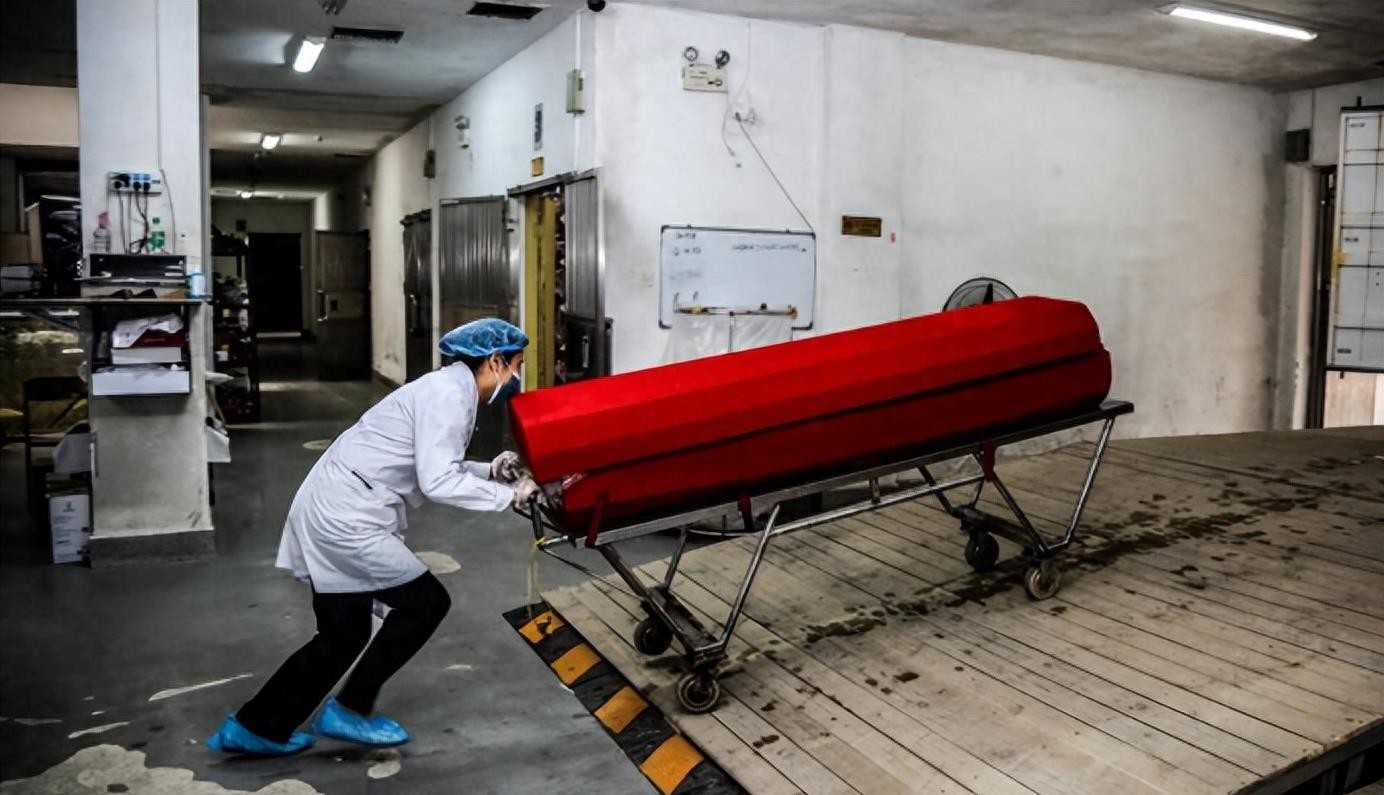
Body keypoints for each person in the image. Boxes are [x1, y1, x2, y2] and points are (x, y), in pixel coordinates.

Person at [207, 318, 539, 755]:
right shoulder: (448, 396)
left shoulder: (447, 389)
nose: (516, 376)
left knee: (342, 634)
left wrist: (489, 471)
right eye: (516, 366)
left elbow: (433, 463)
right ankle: (350, 708)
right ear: (495, 361)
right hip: (346, 517)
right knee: (426, 603)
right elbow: (438, 481)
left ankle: (257, 727)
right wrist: (509, 495)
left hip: (335, 504)